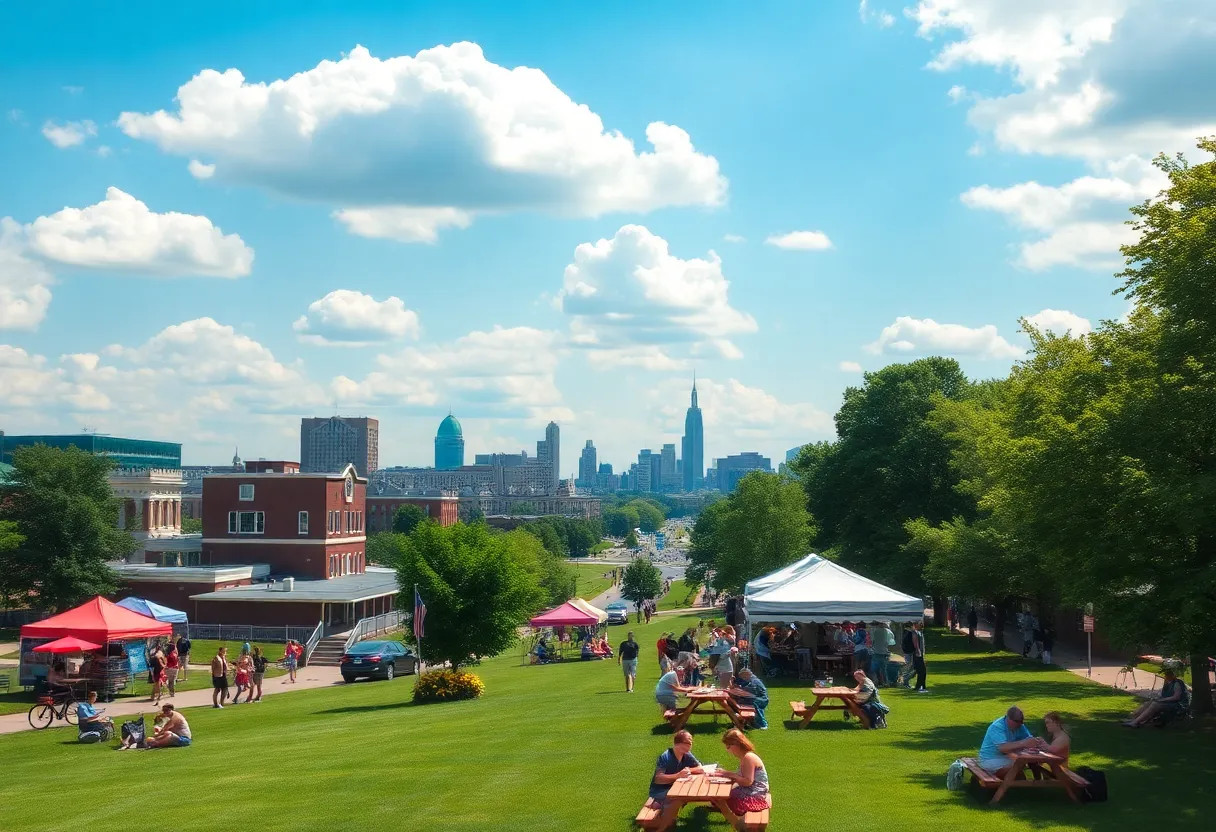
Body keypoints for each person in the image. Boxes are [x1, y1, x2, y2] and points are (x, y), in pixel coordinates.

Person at [718, 729, 770, 816]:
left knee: (722, 798)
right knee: (722, 796)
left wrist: (730, 775)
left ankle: (738, 824)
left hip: (756, 797)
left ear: (736, 744)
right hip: (753, 792)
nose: (728, 750)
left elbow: (747, 782)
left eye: (728, 747)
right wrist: (725, 773)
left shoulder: (748, 758)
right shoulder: (745, 757)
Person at [977, 706, 1040, 774]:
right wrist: (1023, 743)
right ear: (1009, 718)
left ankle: (1037, 782)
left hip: (1004, 757)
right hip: (989, 759)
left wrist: (1035, 742)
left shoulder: (1020, 725)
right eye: (1017, 721)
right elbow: (1003, 748)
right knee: (1019, 763)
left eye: (1022, 721)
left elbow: (1029, 738)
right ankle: (1002, 780)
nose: (1020, 724)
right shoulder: (997, 726)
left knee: (1026, 762)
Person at [648, 730, 703, 805]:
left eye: (690, 743)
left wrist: (688, 770)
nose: (689, 745)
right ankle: (661, 806)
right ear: (676, 744)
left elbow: (700, 768)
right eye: (686, 743)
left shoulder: (687, 754)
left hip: (676, 787)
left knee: (695, 791)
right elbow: (658, 779)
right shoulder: (666, 756)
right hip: (660, 790)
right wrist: (678, 775)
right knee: (679, 798)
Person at [1123, 669, 1190, 727]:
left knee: (1155, 704)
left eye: (1169, 674)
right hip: (1169, 702)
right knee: (1148, 703)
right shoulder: (1168, 683)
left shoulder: (1177, 683)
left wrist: (1163, 700)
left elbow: (1176, 697)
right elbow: (1164, 694)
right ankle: (1134, 719)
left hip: (1178, 705)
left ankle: (1136, 722)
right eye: (1166, 675)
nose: (1166, 676)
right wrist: (1158, 697)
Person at [870, 621, 894, 686]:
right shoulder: (887, 631)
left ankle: (877, 681)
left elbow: (872, 641)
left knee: (875, 669)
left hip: (876, 652)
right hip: (884, 652)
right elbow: (890, 642)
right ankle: (886, 682)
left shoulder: (874, 631)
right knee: (883, 669)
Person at [910, 621, 928, 693]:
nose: (921, 625)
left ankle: (923, 686)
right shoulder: (915, 632)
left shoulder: (920, 632)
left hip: (921, 654)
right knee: (921, 671)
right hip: (918, 654)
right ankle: (919, 686)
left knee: (923, 671)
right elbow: (915, 643)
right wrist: (918, 651)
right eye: (919, 623)